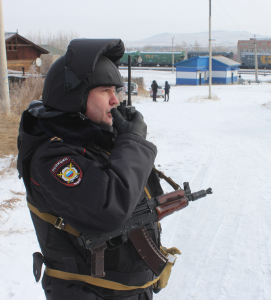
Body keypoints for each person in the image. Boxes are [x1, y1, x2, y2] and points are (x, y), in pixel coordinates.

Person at [17, 39, 169, 300]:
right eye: (104, 90)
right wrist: (133, 144)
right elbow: (110, 207)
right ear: (74, 96)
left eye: (116, 90)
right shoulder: (53, 157)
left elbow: (142, 197)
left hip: (123, 292)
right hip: (89, 293)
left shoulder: (94, 142)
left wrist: (124, 143)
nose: (114, 99)